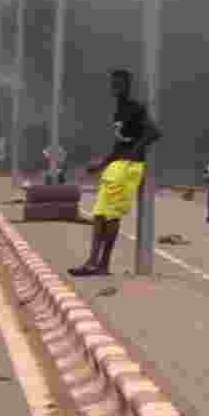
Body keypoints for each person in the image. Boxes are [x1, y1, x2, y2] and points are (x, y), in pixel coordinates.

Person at [70, 69, 162, 277]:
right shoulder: (119, 110)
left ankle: (99, 264)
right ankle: (96, 263)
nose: (116, 87)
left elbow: (154, 132)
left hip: (127, 167)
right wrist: (102, 163)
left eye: (120, 84)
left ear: (128, 86)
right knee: (100, 214)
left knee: (110, 215)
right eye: (113, 84)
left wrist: (133, 154)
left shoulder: (134, 108)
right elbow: (119, 145)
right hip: (116, 166)